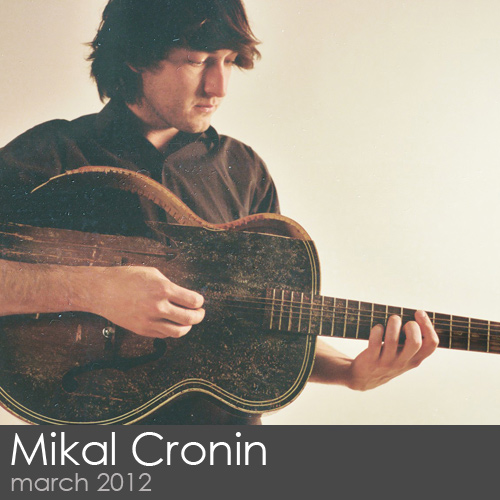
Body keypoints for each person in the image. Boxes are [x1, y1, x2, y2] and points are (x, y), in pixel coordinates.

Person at [0, 0, 439, 424]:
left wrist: (348, 373)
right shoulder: (48, 157)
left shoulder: (244, 170)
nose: (219, 87)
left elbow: (257, 319)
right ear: (136, 57)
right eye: (197, 61)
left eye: (229, 61)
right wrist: (93, 290)